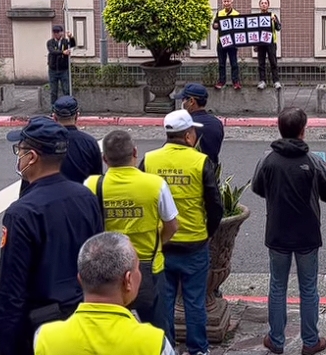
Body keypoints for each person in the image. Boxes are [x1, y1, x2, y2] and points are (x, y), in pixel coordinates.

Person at [0, 116, 105, 355]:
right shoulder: (86, 197)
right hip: (81, 317)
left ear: (32, 157)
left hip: (39, 326)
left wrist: (6, 345)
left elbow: (11, 290)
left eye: (20, 151)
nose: (19, 157)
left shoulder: (22, 212)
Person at [251, 107, 326, 355]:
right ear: (303, 131)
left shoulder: (267, 159)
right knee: (308, 287)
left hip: (277, 231)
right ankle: (310, 341)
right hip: (307, 233)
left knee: (277, 285)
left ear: (280, 129)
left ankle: (276, 340)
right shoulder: (313, 161)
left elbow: (258, 187)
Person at [140, 109, 224, 355]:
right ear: (188, 135)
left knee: (164, 301)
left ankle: (167, 347)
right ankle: (198, 349)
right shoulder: (200, 161)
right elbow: (215, 205)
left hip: (162, 244)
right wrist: (207, 232)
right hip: (195, 243)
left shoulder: (149, 159)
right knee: (195, 301)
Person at [86, 130, 179, 332]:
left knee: (110, 330)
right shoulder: (155, 185)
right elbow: (172, 225)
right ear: (135, 152)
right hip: (150, 266)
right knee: (159, 330)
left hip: (108, 268)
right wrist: (158, 244)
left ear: (105, 159)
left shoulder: (92, 185)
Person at [34, 232, 177, 355]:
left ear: (80, 279)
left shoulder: (45, 338)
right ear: (128, 280)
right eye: (137, 268)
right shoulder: (155, 343)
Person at [52, 96, 102, 184]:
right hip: (83, 194)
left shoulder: (44, 142)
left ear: (54, 117)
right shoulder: (90, 143)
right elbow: (97, 180)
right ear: (77, 116)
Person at [175, 84, 224, 169]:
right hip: (211, 173)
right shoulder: (217, 123)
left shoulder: (185, 125)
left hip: (190, 173)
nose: (182, 103)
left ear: (191, 101)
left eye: (183, 99)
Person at [212, 0, 241, 90]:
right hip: (221, 42)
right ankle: (221, 81)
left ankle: (235, 82)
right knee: (221, 63)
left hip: (232, 42)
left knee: (234, 63)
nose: (226, 3)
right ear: (222, 3)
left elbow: (240, 28)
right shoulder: (219, 13)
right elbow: (214, 25)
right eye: (224, 1)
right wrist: (215, 25)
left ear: (231, 2)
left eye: (228, 1)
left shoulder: (236, 14)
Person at [255, 0, 282, 90]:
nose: (263, 5)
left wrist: (274, 21)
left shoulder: (273, 16)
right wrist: (255, 44)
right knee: (261, 63)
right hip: (260, 43)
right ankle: (262, 81)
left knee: (273, 62)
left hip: (271, 42)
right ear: (259, 5)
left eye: (265, 3)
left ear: (268, 5)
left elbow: (278, 28)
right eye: (262, 3)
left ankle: (276, 81)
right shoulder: (256, 17)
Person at [47, 25, 75, 104]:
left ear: (62, 33)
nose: (56, 34)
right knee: (53, 91)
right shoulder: (50, 42)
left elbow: (72, 44)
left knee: (66, 90)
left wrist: (71, 37)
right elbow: (52, 51)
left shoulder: (65, 42)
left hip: (64, 70)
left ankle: (68, 106)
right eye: (54, 32)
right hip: (53, 70)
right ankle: (54, 110)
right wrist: (62, 52)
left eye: (58, 32)